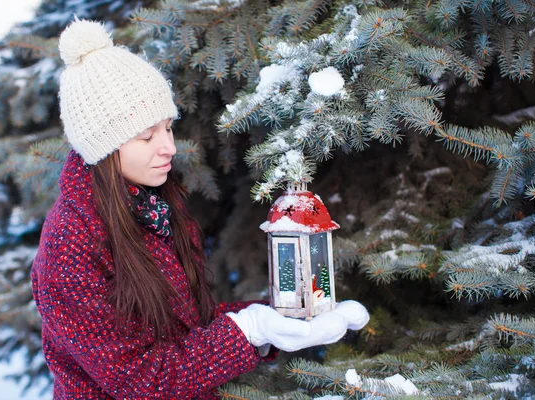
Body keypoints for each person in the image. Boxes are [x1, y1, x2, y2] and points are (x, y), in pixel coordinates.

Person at [31, 18, 370, 399]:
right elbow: (140, 380)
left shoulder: (152, 207)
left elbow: (188, 327)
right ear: (103, 150)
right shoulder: (69, 246)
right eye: (147, 136)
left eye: (168, 128)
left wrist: (280, 317)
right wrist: (247, 331)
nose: (169, 148)